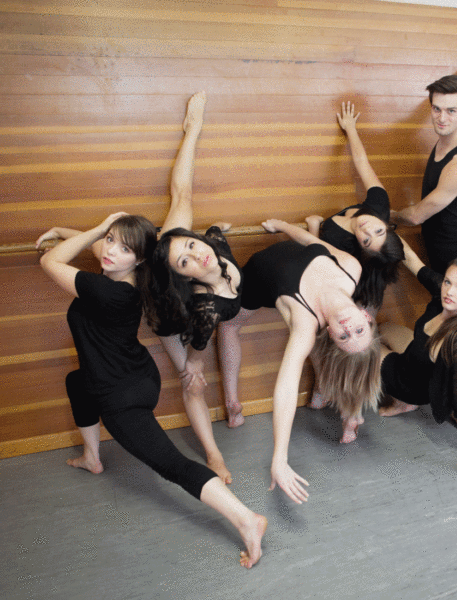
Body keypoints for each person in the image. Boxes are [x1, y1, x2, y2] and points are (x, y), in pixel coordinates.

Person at [37, 212, 266, 568]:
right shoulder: (129, 274)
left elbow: (51, 261)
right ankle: (92, 457)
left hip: (121, 398)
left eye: (123, 246)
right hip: (139, 374)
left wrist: (97, 227)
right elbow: (100, 249)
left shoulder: (108, 290)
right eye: (110, 240)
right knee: (76, 382)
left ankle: (246, 519)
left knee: (172, 465)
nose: (111, 250)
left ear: (140, 257)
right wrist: (64, 229)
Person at [132, 92, 243, 488]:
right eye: (185, 260)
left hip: (195, 292)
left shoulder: (192, 244)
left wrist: (194, 125)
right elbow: (197, 355)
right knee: (190, 378)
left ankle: (192, 129)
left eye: (195, 245)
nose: (199, 256)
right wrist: (193, 367)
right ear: (181, 273)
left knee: (183, 199)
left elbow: (182, 192)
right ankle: (213, 453)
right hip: (170, 314)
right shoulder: (203, 309)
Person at [229, 218, 382, 503]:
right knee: (341, 353)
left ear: (331, 334)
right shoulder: (351, 269)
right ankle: (345, 407)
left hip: (258, 278)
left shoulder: (304, 324)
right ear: (367, 317)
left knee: (228, 326)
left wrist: (280, 458)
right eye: (359, 330)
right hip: (290, 249)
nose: (349, 328)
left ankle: (231, 403)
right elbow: (315, 244)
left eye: (344, 336)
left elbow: (285, 390)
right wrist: (283, 226)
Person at [378, 242, 457, 482]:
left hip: (411, 383)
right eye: (448, 282)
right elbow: (413, 261)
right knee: (384, 326)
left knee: (369, 346)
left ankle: (403, 402)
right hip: (416, 354)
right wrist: (387, 233)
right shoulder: (443, 296)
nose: (450, 292)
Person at [305, 101, 405, 311]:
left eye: (367, 240)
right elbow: (362, 163)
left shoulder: (343, 245)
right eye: (379, 230)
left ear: (361, 247)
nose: (366, 227)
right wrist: (350, 128)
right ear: (387, 225)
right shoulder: (379, 206)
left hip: (345, 299)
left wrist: (313, 226)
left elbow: (315, 258)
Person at [392, 74, 457, 273]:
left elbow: (416, 216)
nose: (442, 118)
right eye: (437, 109)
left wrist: (389, 216)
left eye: (451, 111)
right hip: (439, 246)